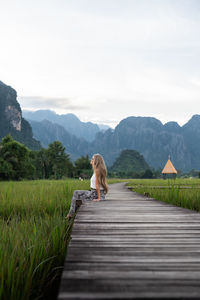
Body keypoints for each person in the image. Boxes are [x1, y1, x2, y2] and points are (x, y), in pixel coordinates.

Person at [66, 153, 108, 219]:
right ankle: (71, 215)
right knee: (77, 194)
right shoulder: (97, 170)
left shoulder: (97, 171)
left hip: (95, 194)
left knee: (76, 194)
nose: (91, 160)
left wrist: (99, 198)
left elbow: (97, 185)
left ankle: (70, 215)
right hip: (94, 192)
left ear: (96, 161)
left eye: (93, 159)